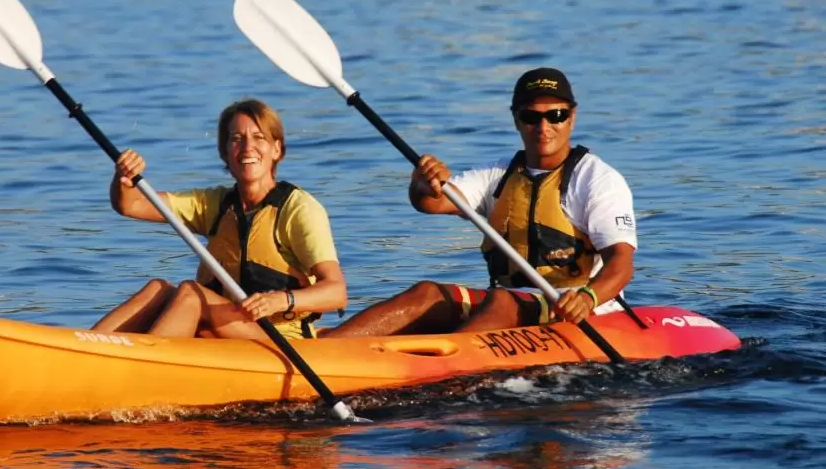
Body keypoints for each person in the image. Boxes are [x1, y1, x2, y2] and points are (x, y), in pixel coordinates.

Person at [321, 67, 636, 337]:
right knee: (427, 293)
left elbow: (620, 263)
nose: (543, 127)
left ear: (571, 117)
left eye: (555, 115)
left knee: (502, 302)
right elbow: (433, 203)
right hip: (515, 301)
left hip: (576, 309)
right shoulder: (497, 174)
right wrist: (422, 183)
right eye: (531, 117)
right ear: (516, 119)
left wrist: (588, 297)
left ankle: (443, 366)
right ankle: (325, 349)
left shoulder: (598, 179)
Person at [92, 99, 346, 340]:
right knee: (158, 289)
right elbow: (131, 204)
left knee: (192, 294)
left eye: (259, 138)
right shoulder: (214, 204)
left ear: (276, 149)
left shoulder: (299, 209)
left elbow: (337, 292)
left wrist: (281, 300)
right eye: (236, 139)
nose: (247, 148)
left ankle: (138, 369)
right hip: (225, 328)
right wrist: (124, 179)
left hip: (281, 340)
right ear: (225, 152)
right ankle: (90, 347)